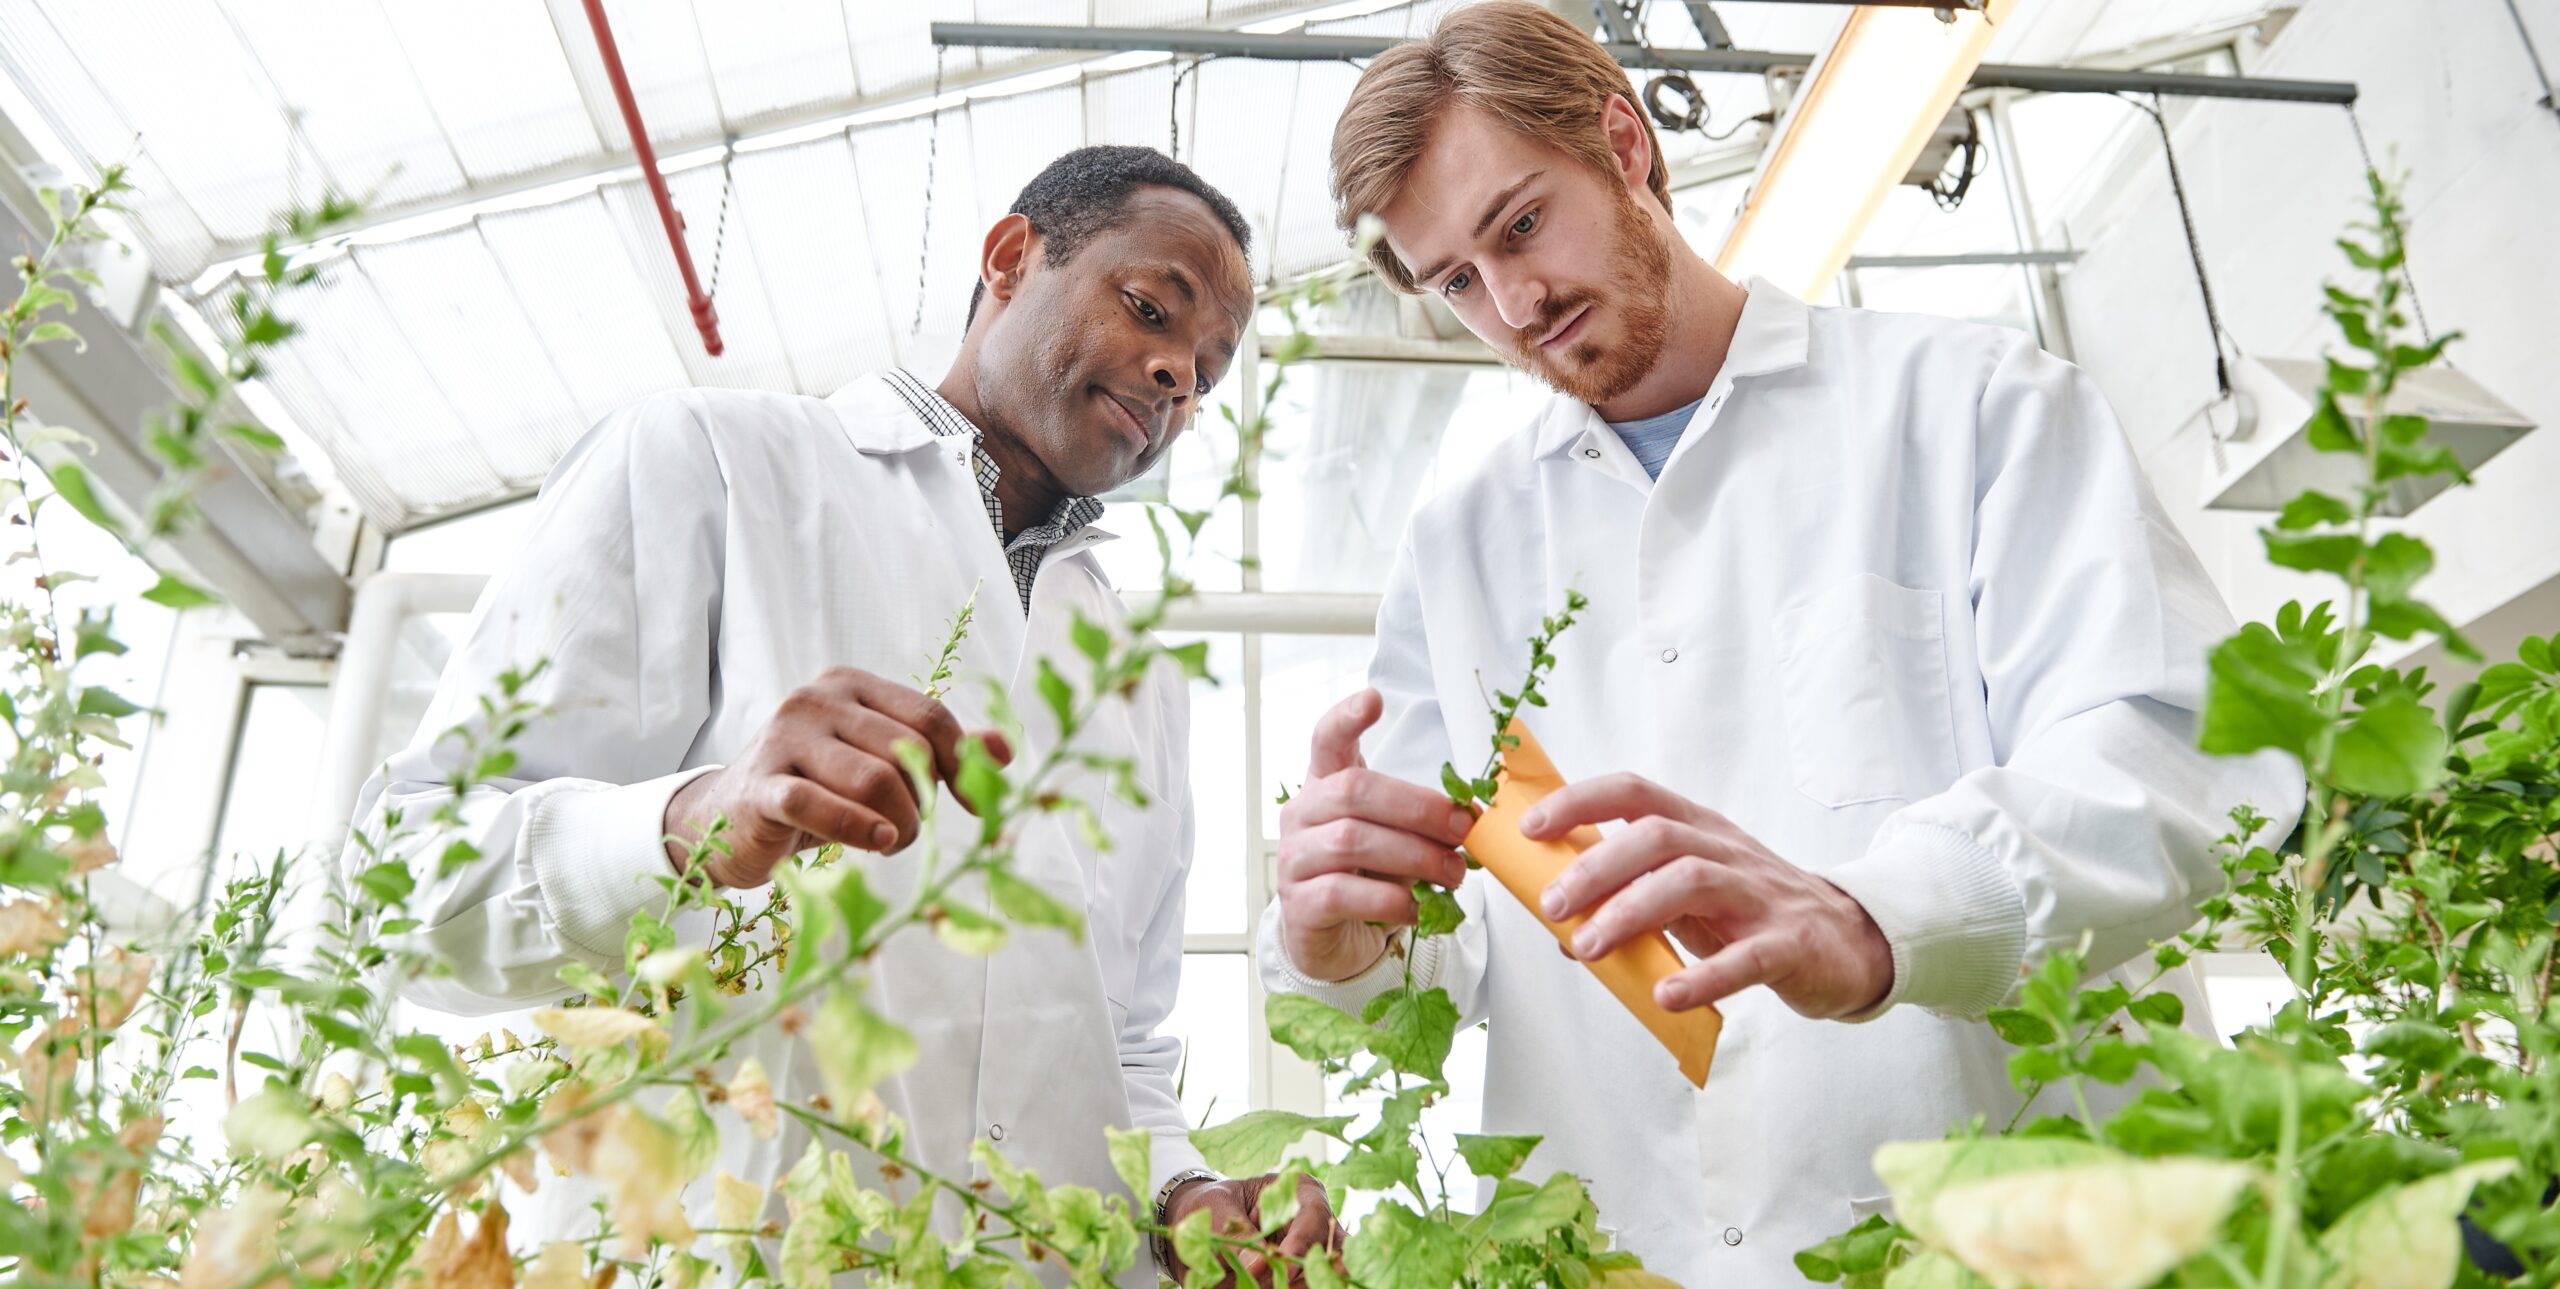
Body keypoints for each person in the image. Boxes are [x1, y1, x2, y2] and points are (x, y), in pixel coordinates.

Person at [1257, 3, 2304, 1281]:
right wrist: (1345, 941)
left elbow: (2171, 755)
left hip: (2001, 1231)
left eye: (1521, 224)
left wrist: (1879, 914)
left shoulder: (1969, 405)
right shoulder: (1460, 543)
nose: (1515, 303)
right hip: (1621, 1243)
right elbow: (1450, 940)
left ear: (1625, 143)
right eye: (1457, 284)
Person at [352, 145, 1332, 1287]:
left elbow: (1119, 1038)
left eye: (1207, 374)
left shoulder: (1139, 676)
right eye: (1150, 309)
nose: (1175, 376)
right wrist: (686, 822)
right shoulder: (712, 462)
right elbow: (406, 895)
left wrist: (1183, 1194)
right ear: (1012, 258)